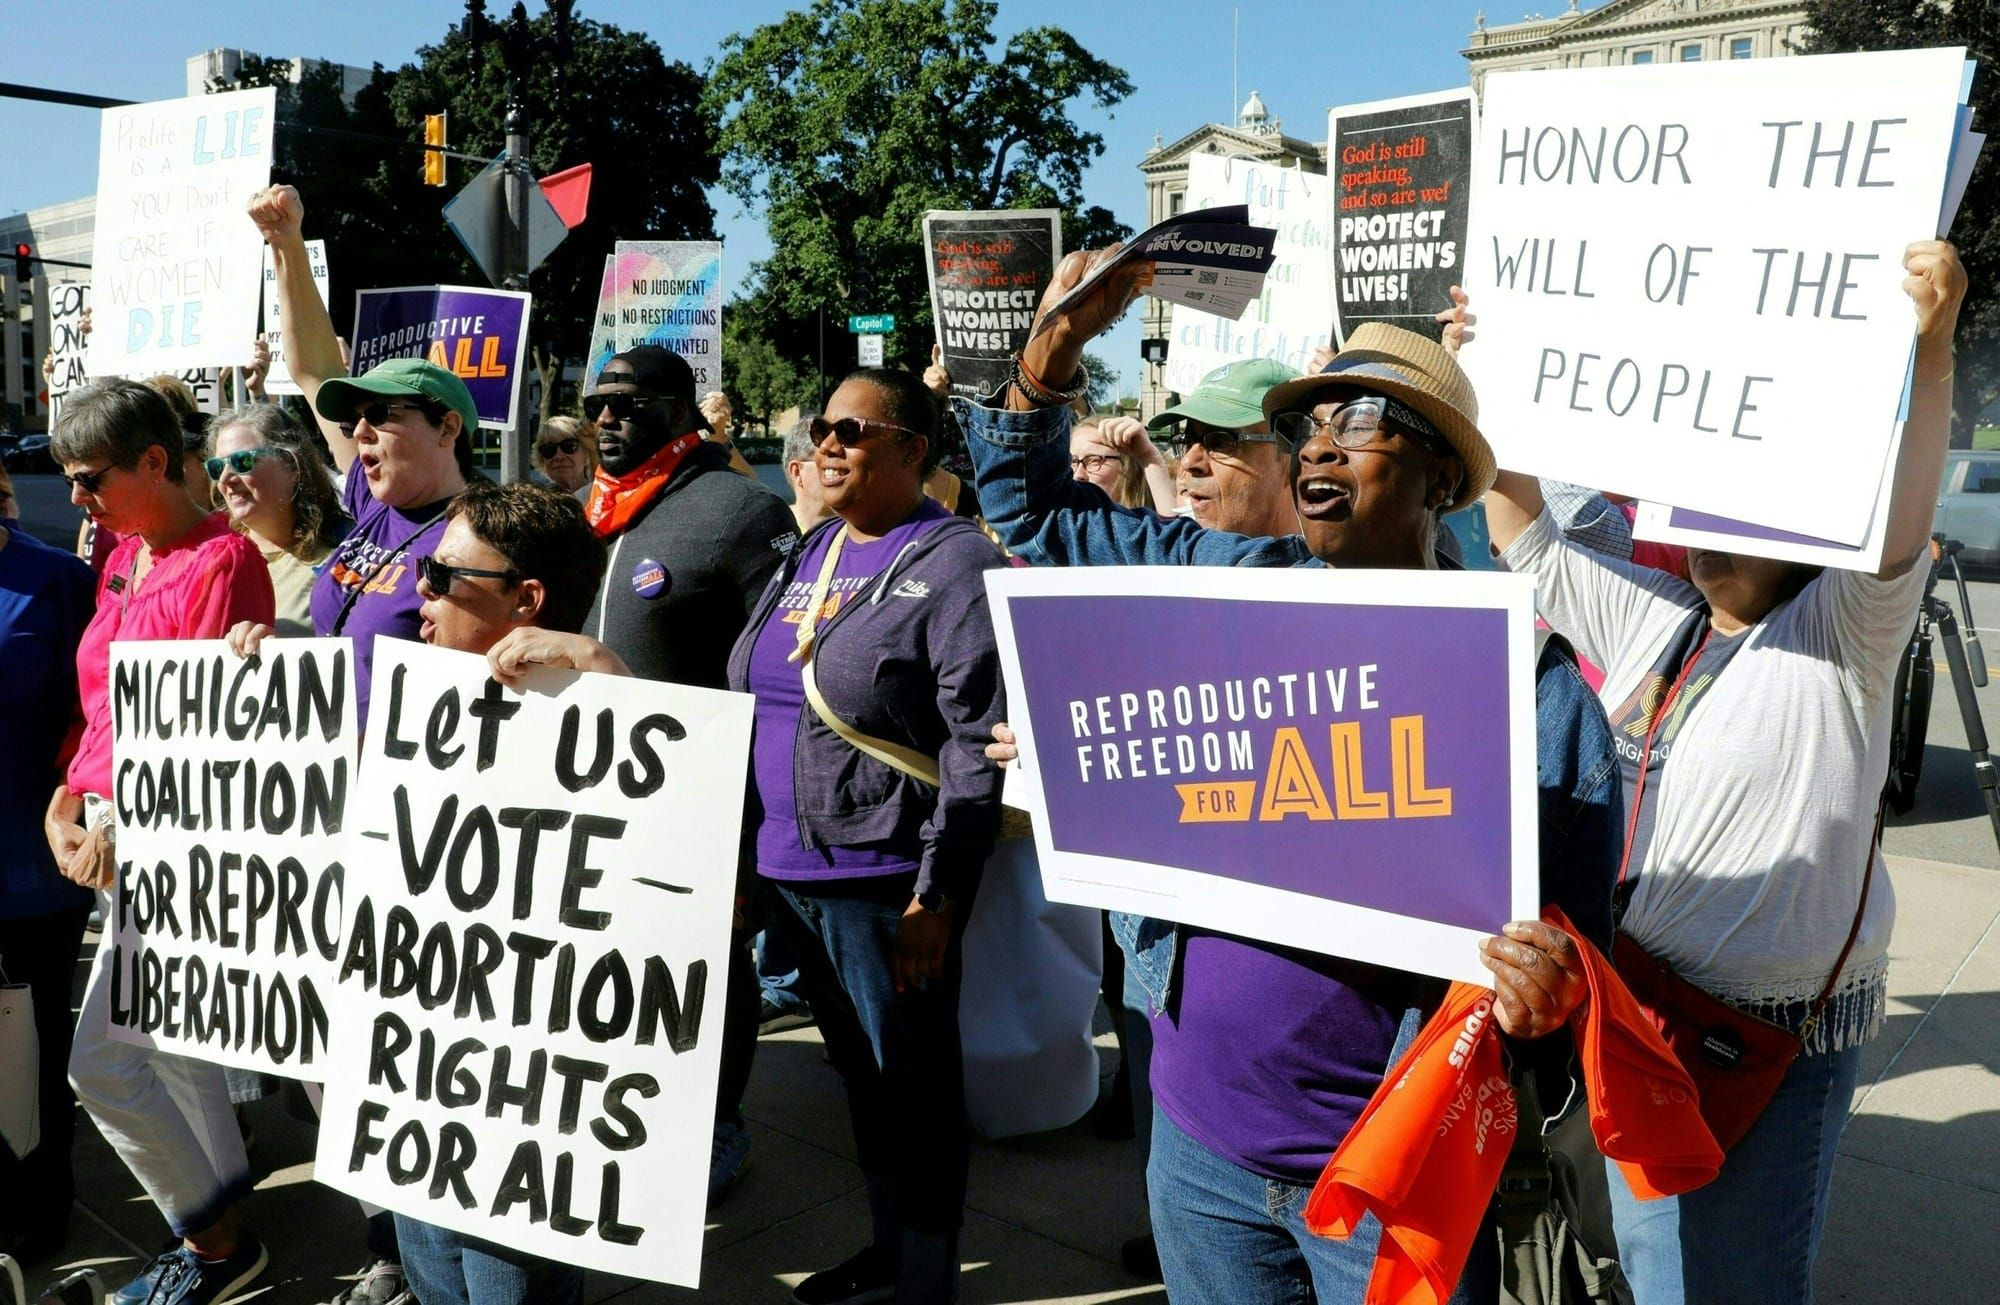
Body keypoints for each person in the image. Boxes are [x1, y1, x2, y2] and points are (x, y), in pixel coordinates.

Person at [962, 250, 1622, 1304]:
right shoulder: (1221, 586)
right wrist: (1053, 350)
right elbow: (1037, 513)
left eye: (1357, 424)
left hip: (1390, 1178)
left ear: (1440, 476)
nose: (1317, 447)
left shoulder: (1530, 692)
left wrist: (1544, 991)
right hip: (1197, 1156)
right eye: (1303, 430)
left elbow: (1581, 964)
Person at [1477, 242, 1966, 1303]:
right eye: (1692, 514)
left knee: (1716, 1276)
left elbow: (1901, 528)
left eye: (1738, 520)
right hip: (1638, 1012)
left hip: (1761, 1034)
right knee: (1660, 1258)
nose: (1705, 545)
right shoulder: (1660, 619)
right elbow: (1521, 530)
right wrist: (1490, 380)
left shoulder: (1842, 633)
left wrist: (1928, 357)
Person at [728, 368, 1008, 1305]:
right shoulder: (809, 552)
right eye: (824, 427)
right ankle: (889, 1250)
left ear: (912, 447)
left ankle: (925, 1276)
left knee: (914, 1089)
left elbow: (977, 746)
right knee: (862, 1078)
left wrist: (939, 893)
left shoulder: (955, 560)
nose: (831, 442)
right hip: (788, 871)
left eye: (856, 428)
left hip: (886, 879)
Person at [252, 179, 475, 1305]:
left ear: (447, 426)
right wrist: (290, 246)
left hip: (416, 836)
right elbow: (308, 370)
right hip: (325, 822)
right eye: (357, 423)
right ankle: (386, 1230)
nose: (361, 433)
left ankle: (409, 1246)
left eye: (384, 418)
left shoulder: (475, 535)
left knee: (393, 1052)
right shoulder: (373, 515)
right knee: (331, 1053)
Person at [44, 379, 276, 1305]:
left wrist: (124, 829)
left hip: (173, 843)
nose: (77, 499)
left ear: (153, 459)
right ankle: (228, 1209)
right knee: (177, 1043)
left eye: (89, 477)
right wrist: (65, 801)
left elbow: (206, 741)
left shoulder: (222, 561)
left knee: (99, 1059)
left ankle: (212, 1238)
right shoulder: (121, 556)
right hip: (102, 826)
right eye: (65, 479)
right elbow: (100, 707)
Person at [387, 480, 623, 1305]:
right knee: (431, 1266)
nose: (421, 589)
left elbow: (663, 836)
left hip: (521, 1099)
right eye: (425, 568)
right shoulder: (414, 703)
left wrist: (603, 677)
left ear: (528, 600)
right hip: (419, 1071)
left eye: (446, 576)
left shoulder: (601, 713)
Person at [579, 344, 800, 1206]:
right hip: (591, 790)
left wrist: (753, 825)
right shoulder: (583, 510)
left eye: (630, 404)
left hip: (701, 797)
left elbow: (780, 673)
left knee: (708, 970)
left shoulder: (739, 511)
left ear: (684, 410)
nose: (607, 418)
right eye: (599, 402)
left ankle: (718, 1125)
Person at [0, 463, 96, 1266]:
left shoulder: (59, 578)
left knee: (31, 1052)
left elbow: (97, 713)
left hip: (33, 871)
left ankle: (37, 1212)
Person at [205, 405, 348, 636]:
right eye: (217, 467)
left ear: (292, 466)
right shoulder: (212, 557)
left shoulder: (342, 553)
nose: (225, 478)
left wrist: (282, 653)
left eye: (242, 461)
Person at [1143, 357, 1301, 535]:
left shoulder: (1332, 562)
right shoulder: (1178, 555)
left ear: (1294, 459)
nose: (1188, 462)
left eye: (1220, 442)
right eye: (1187, 442)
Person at [1070, 413, 1177, 514]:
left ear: (1129, 468)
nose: (1078, 475)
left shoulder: (1149, 528)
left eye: (1094, 460)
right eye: (1073, 461)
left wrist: (1150, 458)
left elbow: (1173, 529)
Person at [782, 411, 834, 533]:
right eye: (828, 460)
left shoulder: (859, 533)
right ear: (797, 472)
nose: (840, 467)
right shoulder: (775, 531)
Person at [530, 415, 597, 493]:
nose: (559, 456)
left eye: (568, 446)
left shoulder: (602, 495)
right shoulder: (538, 502)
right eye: (549, 449)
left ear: (586, 452)